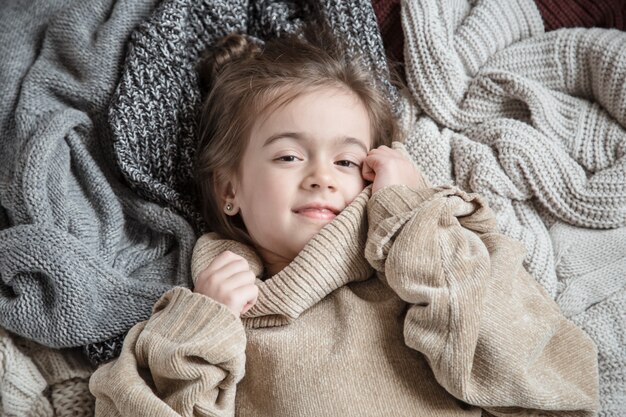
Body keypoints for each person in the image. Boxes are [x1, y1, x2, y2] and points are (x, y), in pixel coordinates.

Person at [89, 29, 599, 417]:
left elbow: (553, 379)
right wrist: (201, 329)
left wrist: (414, 216)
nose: (320, 178)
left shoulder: (428, 263)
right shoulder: (209, 318)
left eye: (347, 162)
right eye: (288, 157)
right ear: (230, 190)